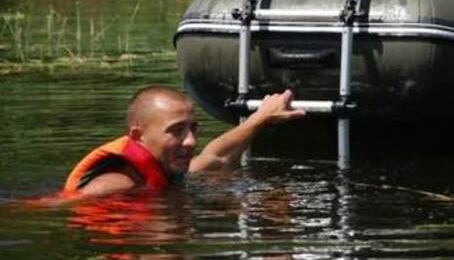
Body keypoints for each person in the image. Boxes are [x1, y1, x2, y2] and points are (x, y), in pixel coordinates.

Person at [62, 86, 305, 198]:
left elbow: (216, 158)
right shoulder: (114, 185)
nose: (190, 141)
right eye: (176, 131)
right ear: (138, 137)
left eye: (193, 128)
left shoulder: (165, 169)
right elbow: (57, 207)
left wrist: (261, 118)